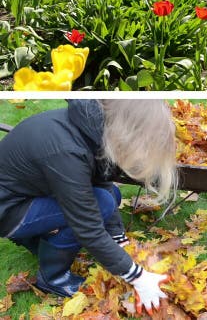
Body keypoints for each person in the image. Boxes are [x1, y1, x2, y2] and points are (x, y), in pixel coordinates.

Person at [0, 100, 175, 314]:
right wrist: (138, 277)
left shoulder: (91, 129)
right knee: (101, 204)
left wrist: (118, 238)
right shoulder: (67, 150)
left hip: (29, 191)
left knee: (111, 197)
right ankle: (53, 278)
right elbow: (88, 230)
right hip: (8, 210)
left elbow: (101, 181)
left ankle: (37, 240)